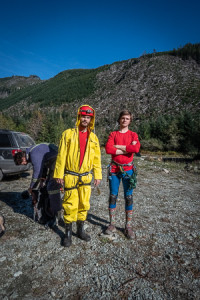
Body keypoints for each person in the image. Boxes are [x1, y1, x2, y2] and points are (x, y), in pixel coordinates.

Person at [54, 105, 102, 247]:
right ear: (78, 117)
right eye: (83, 116)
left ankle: (80, 230)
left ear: (91, 119)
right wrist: (58, 174)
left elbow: (96, 159)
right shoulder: (67, 134)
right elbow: (61, 155)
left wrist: (97, 175)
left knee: (84, 204)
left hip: (86, 177)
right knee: (69, 204)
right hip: (70, 176)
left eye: (88, 117)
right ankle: (68, 234)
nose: (85, 119)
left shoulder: (93, 138)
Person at [105, 110, 140, 239]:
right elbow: (109, 149)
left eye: (127, 118)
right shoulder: (113, 134)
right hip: (114, 169)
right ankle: (112, 224)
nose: (124, 120)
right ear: (119, 120)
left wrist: (118, 147)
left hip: (128, 170)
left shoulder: (133, 134)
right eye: (123, 118)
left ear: (130, 121)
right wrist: (127, 148)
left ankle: (128, 226)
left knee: (129, 197)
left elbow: (136, 149)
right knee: (113, 196)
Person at [14, 143, 62, 227]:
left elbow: (36, 173)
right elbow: (42, 165)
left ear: (23, 157)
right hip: (53, 160)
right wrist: (42, 179)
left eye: (21, 162)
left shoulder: (33, 154)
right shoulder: (32, 152)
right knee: (46, 188)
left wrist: (31, 187)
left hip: (57, 160)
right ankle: (48, 213)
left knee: (52, 189)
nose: (23, 164)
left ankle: (55, 217)